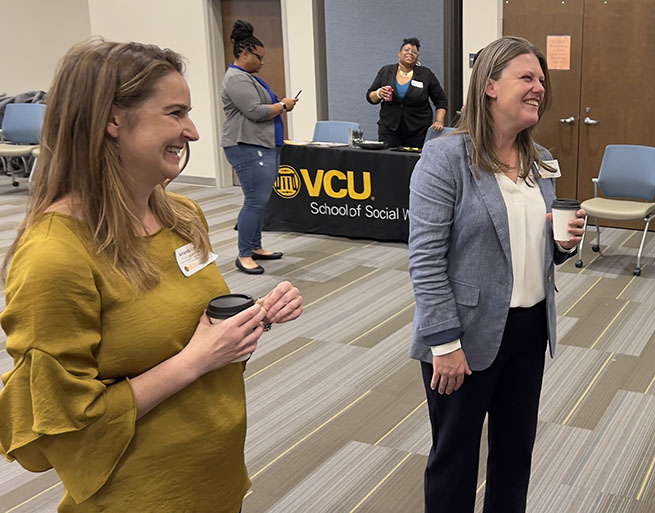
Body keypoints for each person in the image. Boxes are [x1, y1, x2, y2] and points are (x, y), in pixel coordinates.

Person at [0, 39, 303, 512]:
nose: (193, 131)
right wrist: (196, 360)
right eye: (175, 113)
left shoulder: (181, 216)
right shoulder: (54, 257)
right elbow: (63, 428)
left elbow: (184, 331)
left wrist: (249, 322)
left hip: (215, 477)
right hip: (141, 496)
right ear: (112, 121)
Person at [407, 36, 585, 513]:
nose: (539, 88)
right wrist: (444, 343)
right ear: (489, 85)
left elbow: (531, 245)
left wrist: (562, 245)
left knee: (514, 455)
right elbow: (425, 258)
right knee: (455, 461)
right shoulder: (446, 157)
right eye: (527, 77)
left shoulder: (539, 158)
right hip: (463, 335)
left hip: (528, 330)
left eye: (541, 80)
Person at [221, 19, 297, 275]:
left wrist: (281, 105)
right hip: (246, 145)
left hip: (263, 144)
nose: (262, 62)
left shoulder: (249, 78)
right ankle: (244, 254)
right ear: (244, 53)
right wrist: (283, 105)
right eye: (259, 57)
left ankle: (255, 246)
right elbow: (255, 111)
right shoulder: (236, 78)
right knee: (254, 200)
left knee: (260, 199)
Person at [366, 37, 448, 148]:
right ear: (399, 53)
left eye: (414, 52)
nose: (410, 53)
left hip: (418, 130)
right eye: (407, 50)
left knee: (414, 158)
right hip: (389, 128)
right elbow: (370, 97)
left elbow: (441, 100)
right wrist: (379, 93)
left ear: (417, 57)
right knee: (388, 157)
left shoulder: (426, 74)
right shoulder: (386, 71)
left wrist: (439, 121)